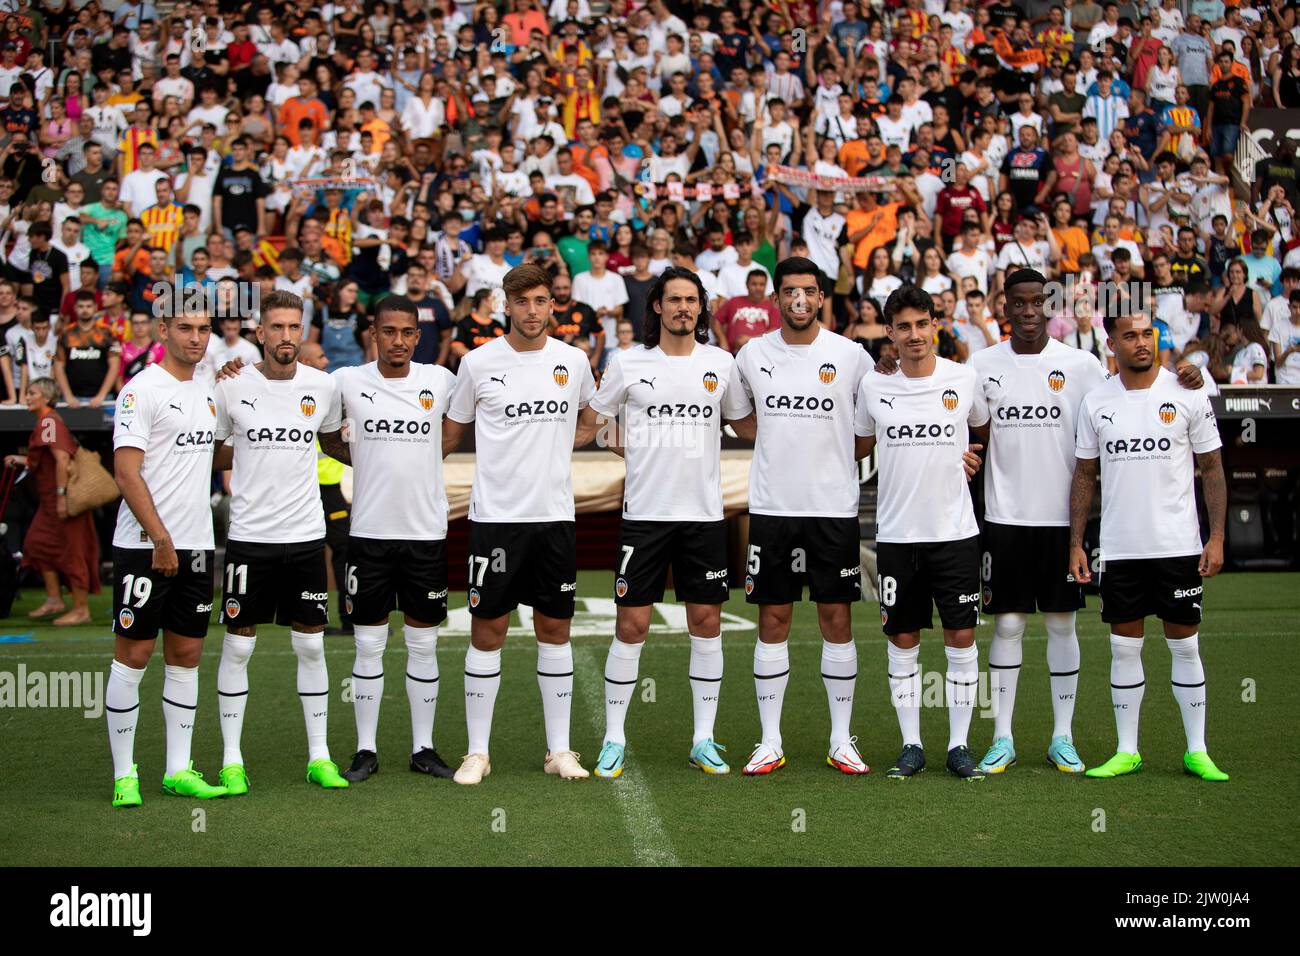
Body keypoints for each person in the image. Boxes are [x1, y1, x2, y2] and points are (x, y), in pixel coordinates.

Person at [970, 269, 1203, 775]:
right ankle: (1003, 737)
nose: (1029, 311)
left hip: (1062, 525)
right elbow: (965, 426)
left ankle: (1062, 736)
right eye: (1019, 303)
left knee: (1061, 623)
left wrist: (1185, 372)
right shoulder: (980, 364)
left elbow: (1134, 392)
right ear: (1004, 308)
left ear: (1051, 307)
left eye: (1038, 302)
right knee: (1007, 624)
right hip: (1005, 518)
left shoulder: (1080, 365)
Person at [442, 263, 601, 784]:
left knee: (554, 629)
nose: (532, 311)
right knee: (489, 631)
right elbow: (451, 431)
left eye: (541, 301)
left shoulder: (574, 360)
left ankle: (559, 750)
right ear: (504, 306)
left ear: (552, 304)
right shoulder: (478, 363)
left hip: (554, 518)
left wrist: (564, 444)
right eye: (522, 302)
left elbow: (589, 415)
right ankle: (477, 753)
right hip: (496, 521)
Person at [589, 266, 751, 778]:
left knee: (706, 624)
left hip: (703, 516)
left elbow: (745, 423)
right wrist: (619, 444)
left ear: (701, 308)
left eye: (692, 300)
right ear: (656, 306)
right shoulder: (627, 363)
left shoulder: (720, 363)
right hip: (646, 516)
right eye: (674, 299)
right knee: (631, 624)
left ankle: (703, 738)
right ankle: (614, 737)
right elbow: (593, 423)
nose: (683, 307)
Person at [1070, 311, 1229, 783]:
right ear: (1111, 343)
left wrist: (1216, 536)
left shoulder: (1186, 391)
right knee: (1124, 649)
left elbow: (1213, 468)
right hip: (1120, 549)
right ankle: (1127, 750)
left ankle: (1197, 750)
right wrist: (1075, 543)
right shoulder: (1096, 401)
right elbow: (1084, 475)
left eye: (1148, 334)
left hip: (1178, 546)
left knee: (1185, 647)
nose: (1142, 343)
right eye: (1131, 336)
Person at [731, 257, 873, 776]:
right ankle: (770, 740)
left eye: (808, 292)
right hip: (772, 508)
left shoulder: (851, 356)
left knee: (836, 618)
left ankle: (841, 740)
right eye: (789, 291)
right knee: (773, 618)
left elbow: (867, 429)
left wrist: (832, 450)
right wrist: (775, 440)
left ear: (820, 299)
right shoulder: (750, 354)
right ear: (776, 299)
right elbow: (740, 418)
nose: (798, 300)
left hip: (832, 509)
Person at [209, 290, 349, 792]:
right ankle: (231, 760)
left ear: (302, 331)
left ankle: (320, 757)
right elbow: (215, 450)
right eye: (277, 328)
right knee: (238, 648)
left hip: (307, 537)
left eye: (295, 327)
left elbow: (335, 441)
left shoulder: (323, 386)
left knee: (311, 648)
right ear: (260, 333)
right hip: (249, 538)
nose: (286, 337)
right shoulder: (230, 386)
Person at [316, 296, 460, 783]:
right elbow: (325, 434)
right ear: (372, 334)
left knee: (423, 646)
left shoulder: (439, 381)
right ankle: (365, 750)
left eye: (407, 332)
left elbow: (453, 432)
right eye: (388, 331)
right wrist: (365, 458)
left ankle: (423, 747)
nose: (397, 340)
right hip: (370, 534)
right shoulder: (346, 382)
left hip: (425, 534)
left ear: (418, 337)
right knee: (368, 646)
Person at [854, 284, 990, 781]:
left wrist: (974, 457)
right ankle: (911, 744)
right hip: (896, 534)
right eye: (903, 326)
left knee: (960, 636)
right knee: (903, 638)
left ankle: (958, 745)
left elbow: (982, 430)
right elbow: (860, 441)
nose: (914, 335)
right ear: (889, 332)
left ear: (937, 324)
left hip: (954, 532)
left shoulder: (964, 378)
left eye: (922, 323)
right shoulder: (875, 386)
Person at [105, 305, 226, 807]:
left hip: (196, 544)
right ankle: (124, 774)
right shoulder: (141, 389)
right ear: (163, 331)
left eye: (203, 329)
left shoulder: (209, 390)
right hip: (145, 546)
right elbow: (126, 472)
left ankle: (178, 769)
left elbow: (216, 453)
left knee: (187, 655)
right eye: (185, 328)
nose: (195, 338)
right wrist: (159, 538)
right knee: (133, 655)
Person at [3, 378, 100, 626]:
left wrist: (60, 495)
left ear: (46, 397)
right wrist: (21, 459)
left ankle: (81, 609)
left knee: (73, 551)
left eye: (32, 392)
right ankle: (54, 598)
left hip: (62, 499)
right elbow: (44, 460)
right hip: (48, 501)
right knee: (37, 544)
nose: (27, 396)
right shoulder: (45, 422)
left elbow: (61, 460)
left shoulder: (48, 421)